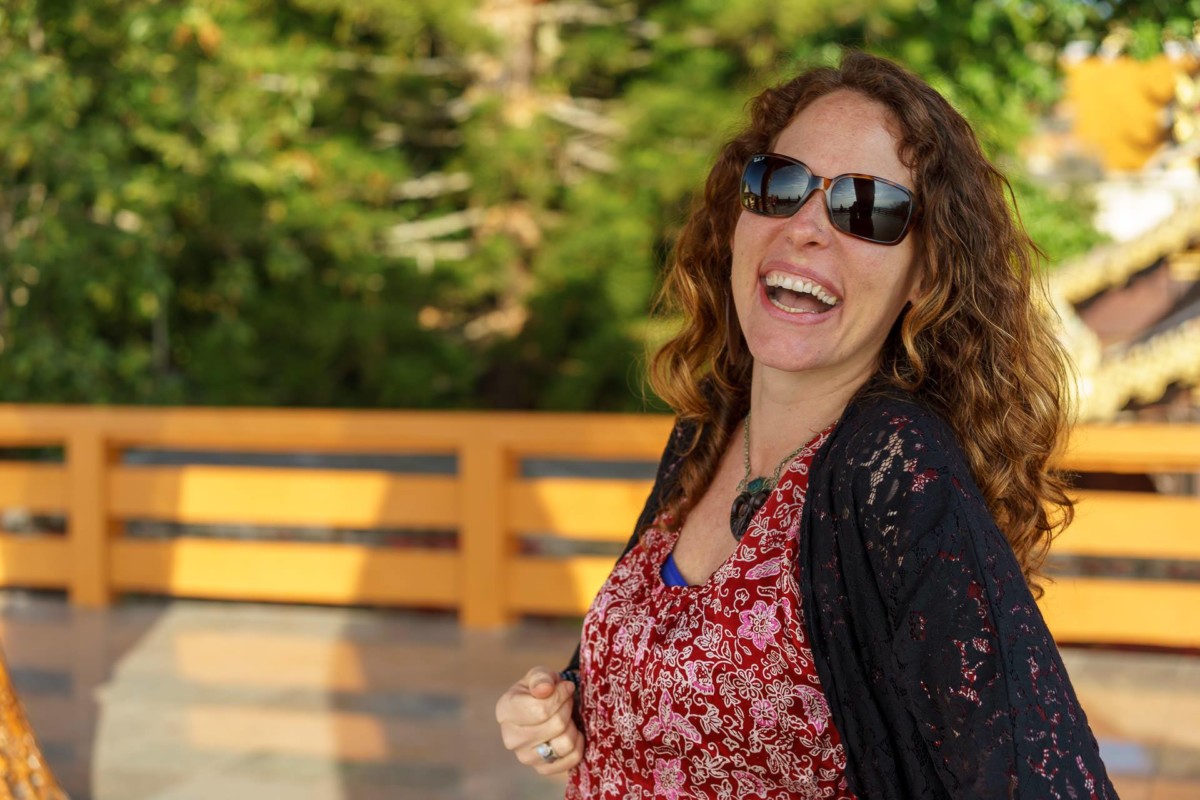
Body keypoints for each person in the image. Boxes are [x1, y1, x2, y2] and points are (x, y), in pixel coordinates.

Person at [495, 50, 1115, 799]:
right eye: (780, 186)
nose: (807, 229)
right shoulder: (711, 428)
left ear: (926, 276)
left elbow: (1040, 777)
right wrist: (558, 708)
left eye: (868, 209)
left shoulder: (893, 470)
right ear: (739, 217)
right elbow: (672, 683)